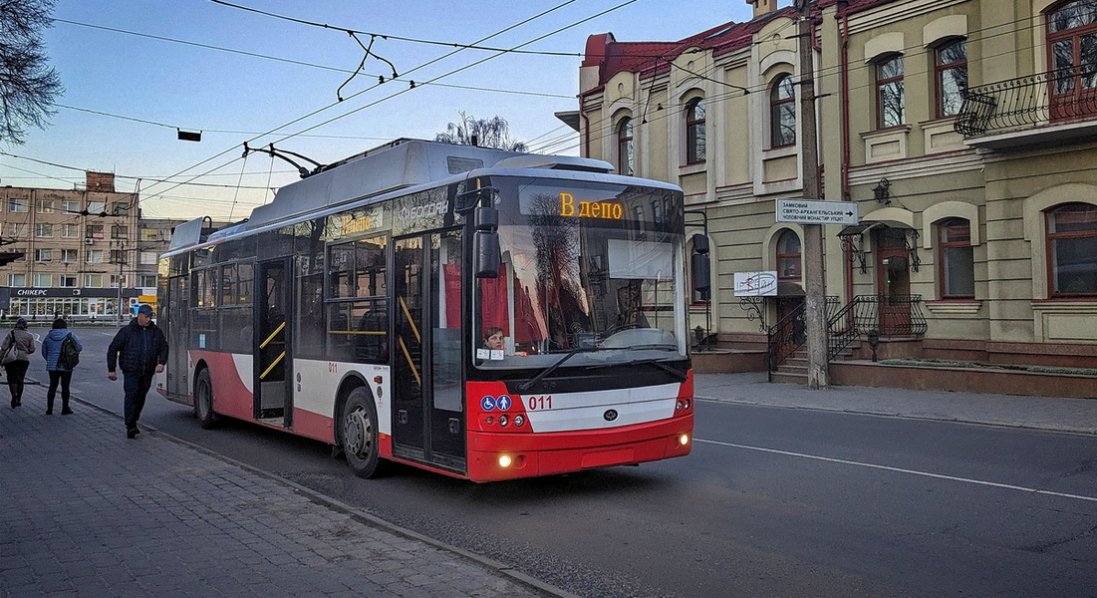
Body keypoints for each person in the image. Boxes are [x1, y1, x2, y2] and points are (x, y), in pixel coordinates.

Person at [107, 304, 169, 439]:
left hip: (147, 371)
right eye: (146, 317)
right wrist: (111, 370)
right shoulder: (128, 331)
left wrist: (161, 362)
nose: (149, 319)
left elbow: (164, 347)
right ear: (139, 316)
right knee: (131, 395)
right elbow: (113, 348)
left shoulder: (155, 331)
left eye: (150, 317)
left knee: (141, 397)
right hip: (131, 370)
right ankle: (130, 425)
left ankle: (134, 419)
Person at [42, 318, 83, 415]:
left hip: (52, 366)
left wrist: (50, 360)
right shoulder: (70, 335)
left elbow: (44, 351)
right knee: (65, 387)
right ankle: (65, 408)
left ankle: (49, 409)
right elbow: (79, 348)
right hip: (66, 365)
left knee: (52, 387)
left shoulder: (48, 336)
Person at [2, 318, 37, 408]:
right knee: (20, 379)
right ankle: (19, 400)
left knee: (11, 378)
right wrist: (25, 351)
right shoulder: (29, 336)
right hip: (23, 359)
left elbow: (4, 347)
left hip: (10, 359)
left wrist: (1, 358)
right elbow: (32, 349)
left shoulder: (11, 333)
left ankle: (14, 395)